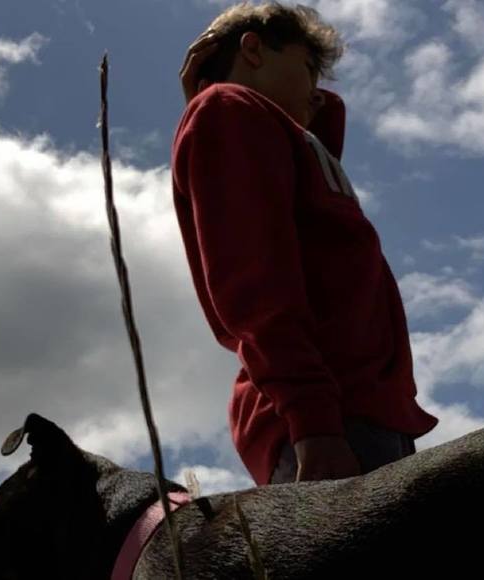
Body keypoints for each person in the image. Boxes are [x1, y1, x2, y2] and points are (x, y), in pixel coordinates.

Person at [171, 2, 438, 486]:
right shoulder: (228, 111)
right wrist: (312, 420)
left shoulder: (265, 128)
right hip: (327, 417)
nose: (318, 92)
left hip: (356, 410)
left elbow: (313, 149)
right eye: (308, 68)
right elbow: (255, 281)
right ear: (254, 49)